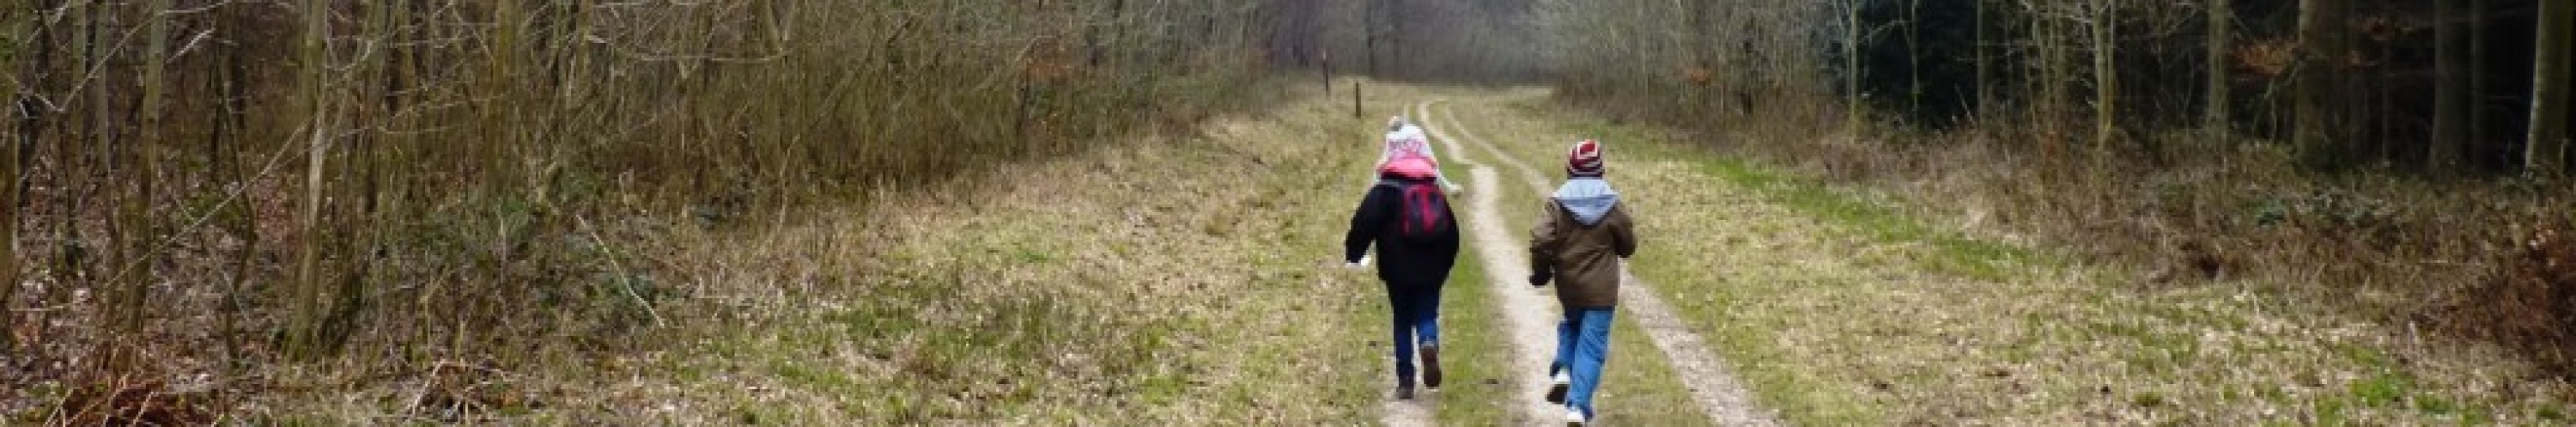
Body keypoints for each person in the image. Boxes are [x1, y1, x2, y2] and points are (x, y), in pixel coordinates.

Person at [1528, 139, 1637, 425]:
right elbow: (1628, 246)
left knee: (1571, 326)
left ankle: (1563, 370)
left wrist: (1541, 272)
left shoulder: (1558, 203)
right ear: (1601, 170)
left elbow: (1540, 239)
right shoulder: (1612, 203)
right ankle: (1578, 406)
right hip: (1602, 292)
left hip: (1570, 287)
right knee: (1592, 347)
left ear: (1569, 169)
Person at [1344, 154, 1462, 400]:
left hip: (1396, 269)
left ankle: (1406, 381)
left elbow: (1362, 224)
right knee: (1427, 312)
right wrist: (1445, 266)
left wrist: (1354, 254)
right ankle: (1428, 340)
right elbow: (1452, 234)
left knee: (1402, 320)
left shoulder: (1384, 192)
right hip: (1432, 268)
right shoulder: (1433, 191)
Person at [1376, 117, 1465, 195]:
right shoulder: (1417, 134)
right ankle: (1449, 187)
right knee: (1433, 170)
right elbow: (1429, 156)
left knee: (1380, 184)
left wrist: (1378, 172)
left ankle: (1377, 192)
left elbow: (1385, 158)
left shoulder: (1391, 138)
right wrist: (1434, 163)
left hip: (1396, 167)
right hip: (1419, 167)